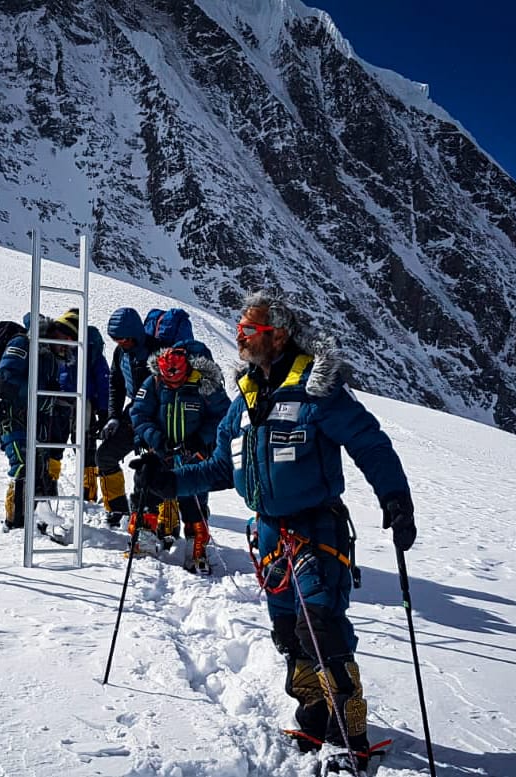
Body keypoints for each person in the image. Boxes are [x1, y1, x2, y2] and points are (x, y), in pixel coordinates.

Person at [130, 291, 416, 771]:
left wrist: (396, 499)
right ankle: (314, 720)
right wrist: (166, 483)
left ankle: (351, 736)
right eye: (240, 327)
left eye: (249, 328)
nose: (239, 335)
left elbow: (369, 442)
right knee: (289, 635)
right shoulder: (242, 398)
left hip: (316, 528)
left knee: (322, 627)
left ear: (277, 333)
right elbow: (223, 467)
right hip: (268, 535)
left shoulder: (316, 388)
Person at [130, 340, 231, 572]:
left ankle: (196, 547)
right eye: (167, 377)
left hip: (193, 453)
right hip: (160, 451)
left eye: (176, 377)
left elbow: (224, 415)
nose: (171, 382)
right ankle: (144, 538)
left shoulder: (206, 386)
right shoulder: (154, 382)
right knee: (145, 489)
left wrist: (201, 439)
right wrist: (156, 439)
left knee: (194, 498)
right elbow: (139, 414)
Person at [0, 311, 77, 530]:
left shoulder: (51, 358)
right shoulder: (23, 343)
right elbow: (6, 377)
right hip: (12, 416)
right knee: (23, 465)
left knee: (39, 467)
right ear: (54, 331)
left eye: (72, 342)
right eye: (65, 338)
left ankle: (36, 520)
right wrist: (37, 395)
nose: (67, 345)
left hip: (37, 420)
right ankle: (16, 524)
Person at [96, 307, 160, 526]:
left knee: (149, 467)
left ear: (135, 334)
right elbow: (116, 384)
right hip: (131, 414)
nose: (119, 343)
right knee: (104, 455)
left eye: (123, 338)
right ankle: (118, 510)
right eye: (115, 339)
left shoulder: (158, 351)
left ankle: (156, 522)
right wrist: (113, 417)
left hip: (156, 418)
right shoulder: (120, 353)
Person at [56, 308, 112, 502]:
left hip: (63, 398)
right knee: (84, 443)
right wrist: (103, 408)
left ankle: (86, 491)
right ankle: (88, 490)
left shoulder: (64, 342)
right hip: (81, 400)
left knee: (74, 442)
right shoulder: (89, 346)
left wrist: (104, 409)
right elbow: (103, 380)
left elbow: (103, 379)